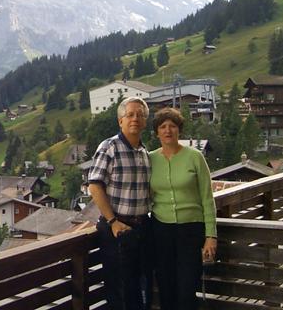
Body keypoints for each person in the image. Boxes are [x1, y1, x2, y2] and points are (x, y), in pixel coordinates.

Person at [149, 107, 217, 310]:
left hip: (191, 230)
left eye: (172, 126)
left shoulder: (195, 157)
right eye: (163, 127)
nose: (168, 130)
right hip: (161, 230)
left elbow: (207, 198)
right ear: (157, 132)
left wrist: (211, 236)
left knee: (187, 288)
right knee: (166, 286)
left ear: (179, 130)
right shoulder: (150, 159)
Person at [88, 97, 152, 310]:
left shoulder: (144, 153)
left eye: (140, 115)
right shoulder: (109, 147)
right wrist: (112, 221)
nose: (135, 119)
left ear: (145, 121)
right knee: (120, 290)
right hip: (116, 229)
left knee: (140, 286)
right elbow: (95, 186)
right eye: (130, 115)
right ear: (120, 121)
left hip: (142, 228)